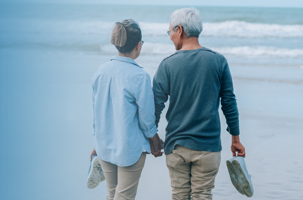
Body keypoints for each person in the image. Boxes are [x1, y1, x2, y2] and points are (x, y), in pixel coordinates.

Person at [153, 8, 245, 200]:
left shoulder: (167, 65)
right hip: (208, 147)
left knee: (179, 195)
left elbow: (155, 105)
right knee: (203, 195)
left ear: (179, 30)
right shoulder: (218, 61)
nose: (169, 36)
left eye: (169, 31)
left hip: (176, 147)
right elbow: (229, 102)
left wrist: (153, 137)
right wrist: (235, 139)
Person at [90, 19, 164, 200]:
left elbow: (97, 113)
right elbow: (147, 119)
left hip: (105, 145)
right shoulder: (140, 77)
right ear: (139, 45)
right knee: (124, 196)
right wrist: (154, 139)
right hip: (129, 148)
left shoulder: (100, 72)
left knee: (111, 194)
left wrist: (96, 143)